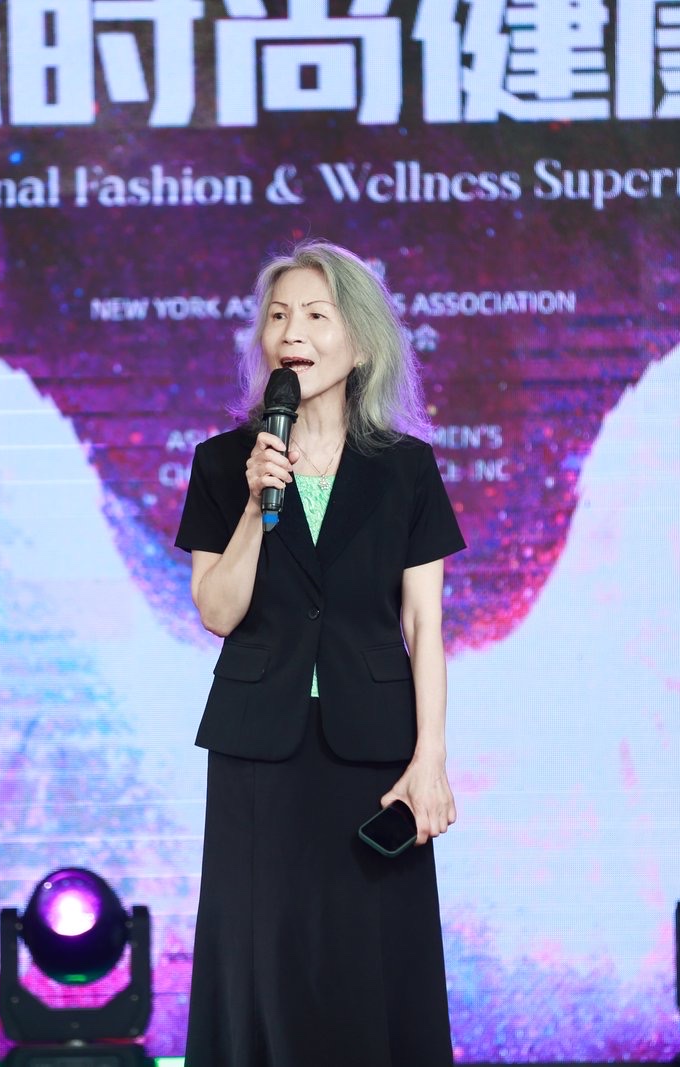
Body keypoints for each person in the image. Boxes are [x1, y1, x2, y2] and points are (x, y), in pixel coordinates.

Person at [174, 240, 465, 1067]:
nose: (290, 332)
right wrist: (255, 505)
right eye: (277, 316)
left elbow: (425, 625)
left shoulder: (406, 469)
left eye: (314, 315)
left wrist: (430, 760)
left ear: (361, 343)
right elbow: (217, 611)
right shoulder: (223, 462)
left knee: (369, 966)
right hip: (257, 751)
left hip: (372, 751)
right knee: (262, 963)